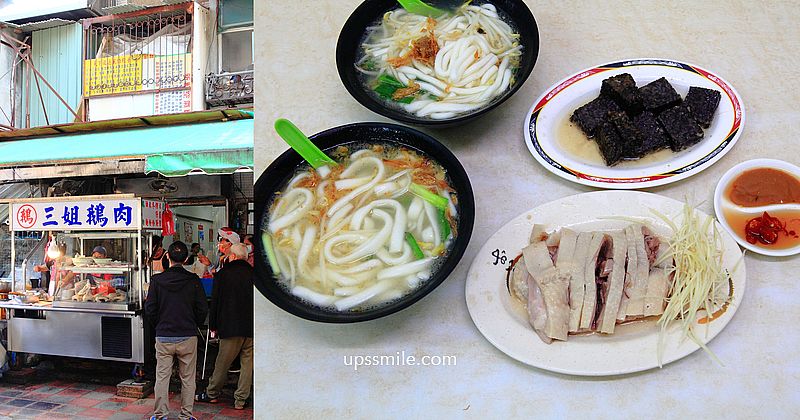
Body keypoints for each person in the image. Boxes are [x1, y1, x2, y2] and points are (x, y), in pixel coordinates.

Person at [144, 241, 208, 420]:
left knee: (162, 377)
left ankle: (160, 415)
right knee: (188, 378)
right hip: (187, 335)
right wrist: (193, 324)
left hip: (164, 336)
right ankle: (186, 416)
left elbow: (150, 309)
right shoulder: (193, 280)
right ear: (187, 259)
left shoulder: (157, 281)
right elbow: (202, 308)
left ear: (167, 257)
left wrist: (160, 324)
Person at [196, 243, 253, 410]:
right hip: (251, 326)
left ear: (233, 256)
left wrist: (213, 325)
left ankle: (212, 394)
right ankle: (241, 400)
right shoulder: (253, 274)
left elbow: (216, 303)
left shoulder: (223, 274)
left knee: (223, 362)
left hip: (230, 326)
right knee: (247, 364)